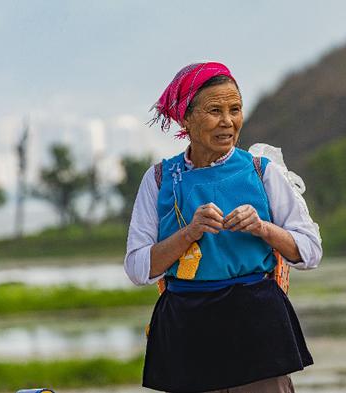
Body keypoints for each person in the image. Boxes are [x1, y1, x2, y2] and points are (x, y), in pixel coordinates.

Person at [124, 62, 322, 393]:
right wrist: (189, 233)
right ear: (186, 118)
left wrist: (262, 228)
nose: (227, 121)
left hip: (259, 330)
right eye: (215, 110)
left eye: (235, 109)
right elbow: (137, 268)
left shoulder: (262, 172)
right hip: (187, 331)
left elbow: (311, 251)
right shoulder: (158, 180)